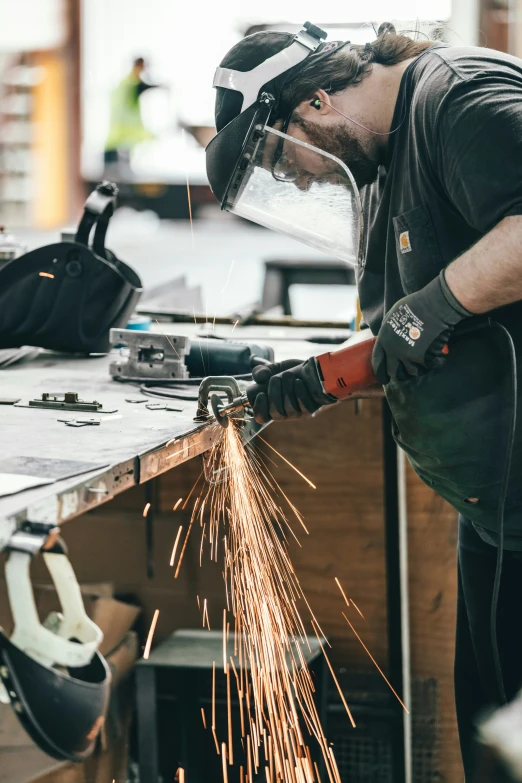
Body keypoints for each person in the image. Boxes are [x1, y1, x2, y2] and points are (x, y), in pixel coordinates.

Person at [207, 22, 522, 781]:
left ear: (315, 101)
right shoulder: (385, 171)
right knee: (495, 738)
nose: (304, 180)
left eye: (288, 159)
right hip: (498, 511)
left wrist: (435, 306)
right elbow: (408, 333)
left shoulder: (458, 97)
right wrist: (321, 378)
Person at [104, 57, 159, 169]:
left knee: (120, 163)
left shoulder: (126, 82)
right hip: (124, 130)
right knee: (116, 166)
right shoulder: (131, 83)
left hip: (119, 132)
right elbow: (145, 86)